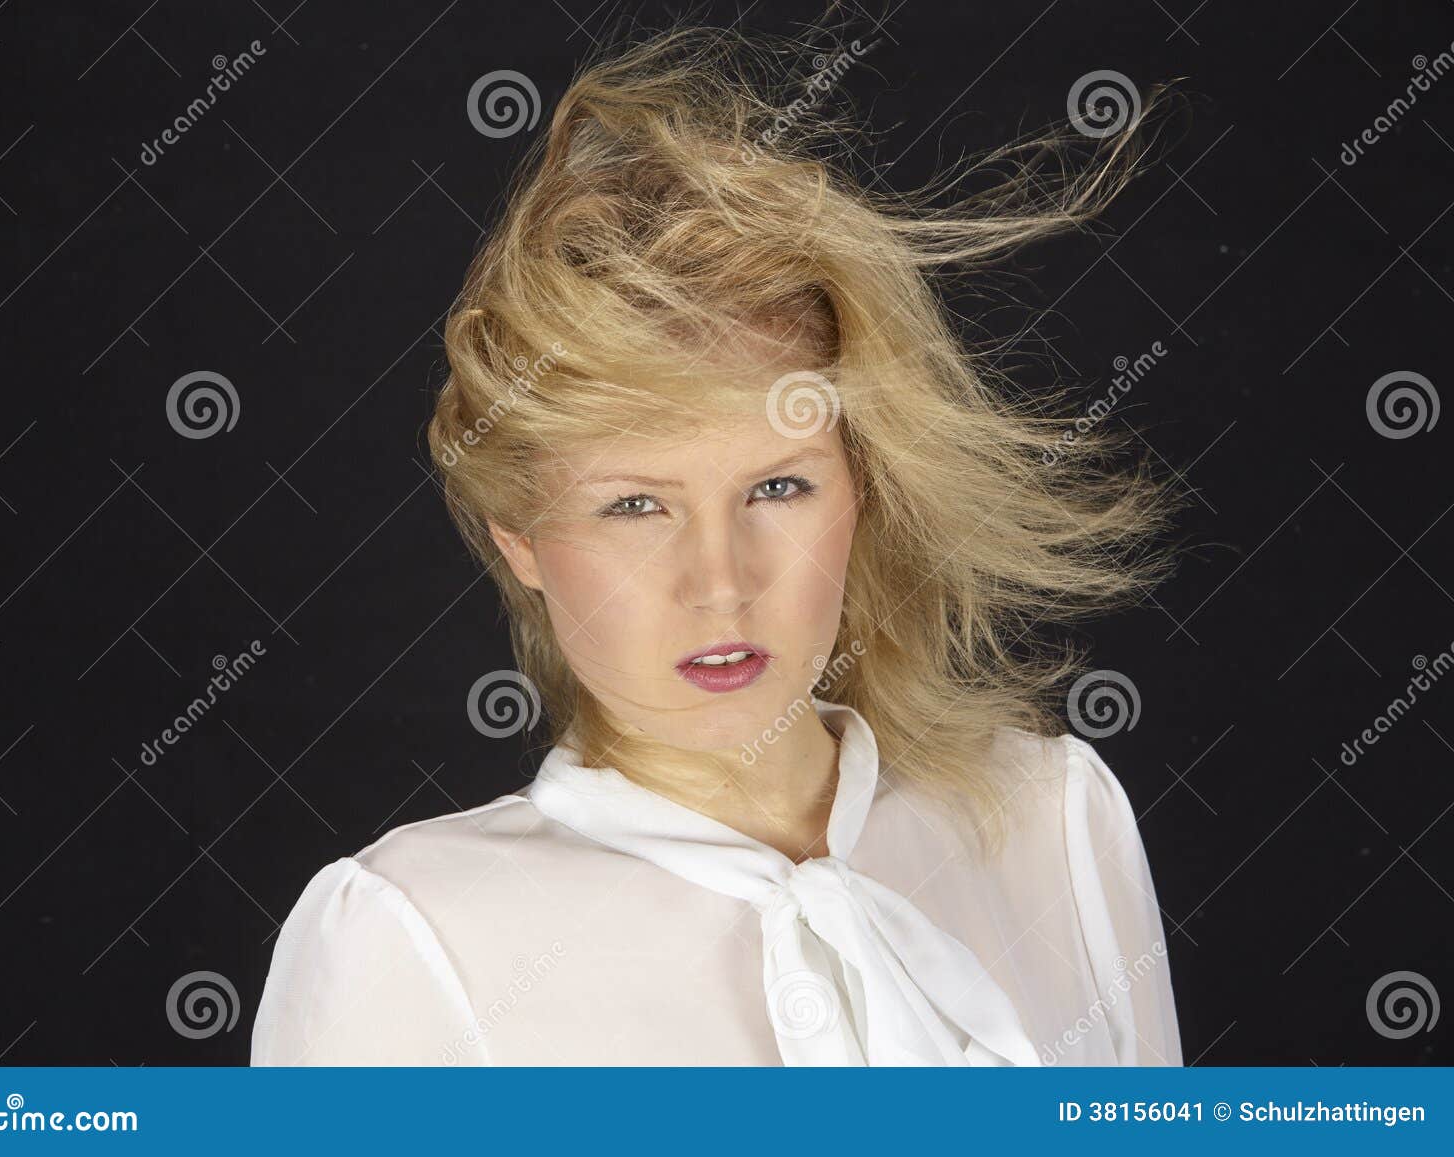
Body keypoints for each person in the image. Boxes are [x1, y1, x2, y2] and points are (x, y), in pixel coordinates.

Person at [250, 21, 1186, 1067]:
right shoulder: (406, 941)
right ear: (519, 535)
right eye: (634, 506)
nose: (720, 582)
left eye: (777, 487)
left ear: (863, 486)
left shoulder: (1051, 823)